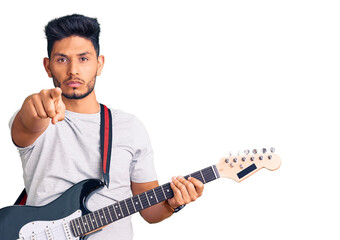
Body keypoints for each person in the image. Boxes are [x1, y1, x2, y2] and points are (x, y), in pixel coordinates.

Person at [9, 14, 204, 240]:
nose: (73, 70)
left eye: (83, 59)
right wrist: (36, 105)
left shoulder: (130, 127)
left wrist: (173, 204)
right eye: (62, 59)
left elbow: (150, 211)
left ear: (99, 64)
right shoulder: (37, 118)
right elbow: (29, 119)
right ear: (48, 66)